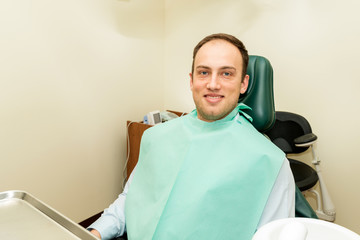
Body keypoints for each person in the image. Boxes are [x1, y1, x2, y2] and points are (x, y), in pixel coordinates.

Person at [88, 33, 295, 240]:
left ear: (243, 83)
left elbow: (275, 235)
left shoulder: (271, 163)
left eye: (226, 74)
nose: (213, 84)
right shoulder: (156, 138)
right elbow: (131, 200)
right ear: (192, 80)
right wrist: (94, 233)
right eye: (204, 72)